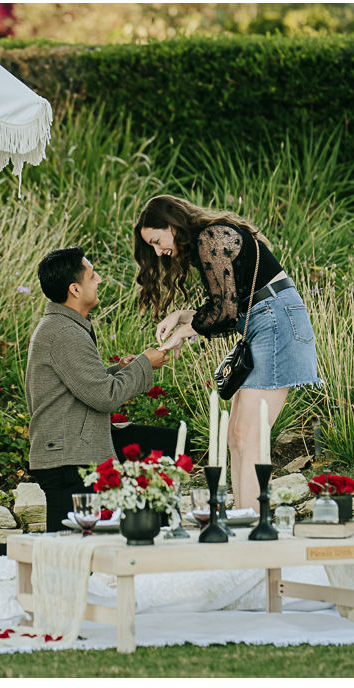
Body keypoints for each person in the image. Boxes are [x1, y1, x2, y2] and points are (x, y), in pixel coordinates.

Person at [134, 195, 320, 512]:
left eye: (156, 240)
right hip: (264, 320)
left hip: (275, 321)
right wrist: (182, 316)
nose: (158, 251)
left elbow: (224, 313)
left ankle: (251, 527)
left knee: (248, 436)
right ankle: (244, 517)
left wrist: (183, 331)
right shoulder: (211, 236)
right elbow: (231, 309)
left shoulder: (213, 236)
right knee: (236, 435)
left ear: (170, 224)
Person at [26, 246, 169, 532]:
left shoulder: (64, 326)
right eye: (93, 276)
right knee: (66, 550)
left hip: (69, 456)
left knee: (73, 548)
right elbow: (104, 397)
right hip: (68, 461)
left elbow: (80, 385)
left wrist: (121, 370)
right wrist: (143, 364)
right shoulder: (64, 332)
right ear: (75, 289)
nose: (100, 280)